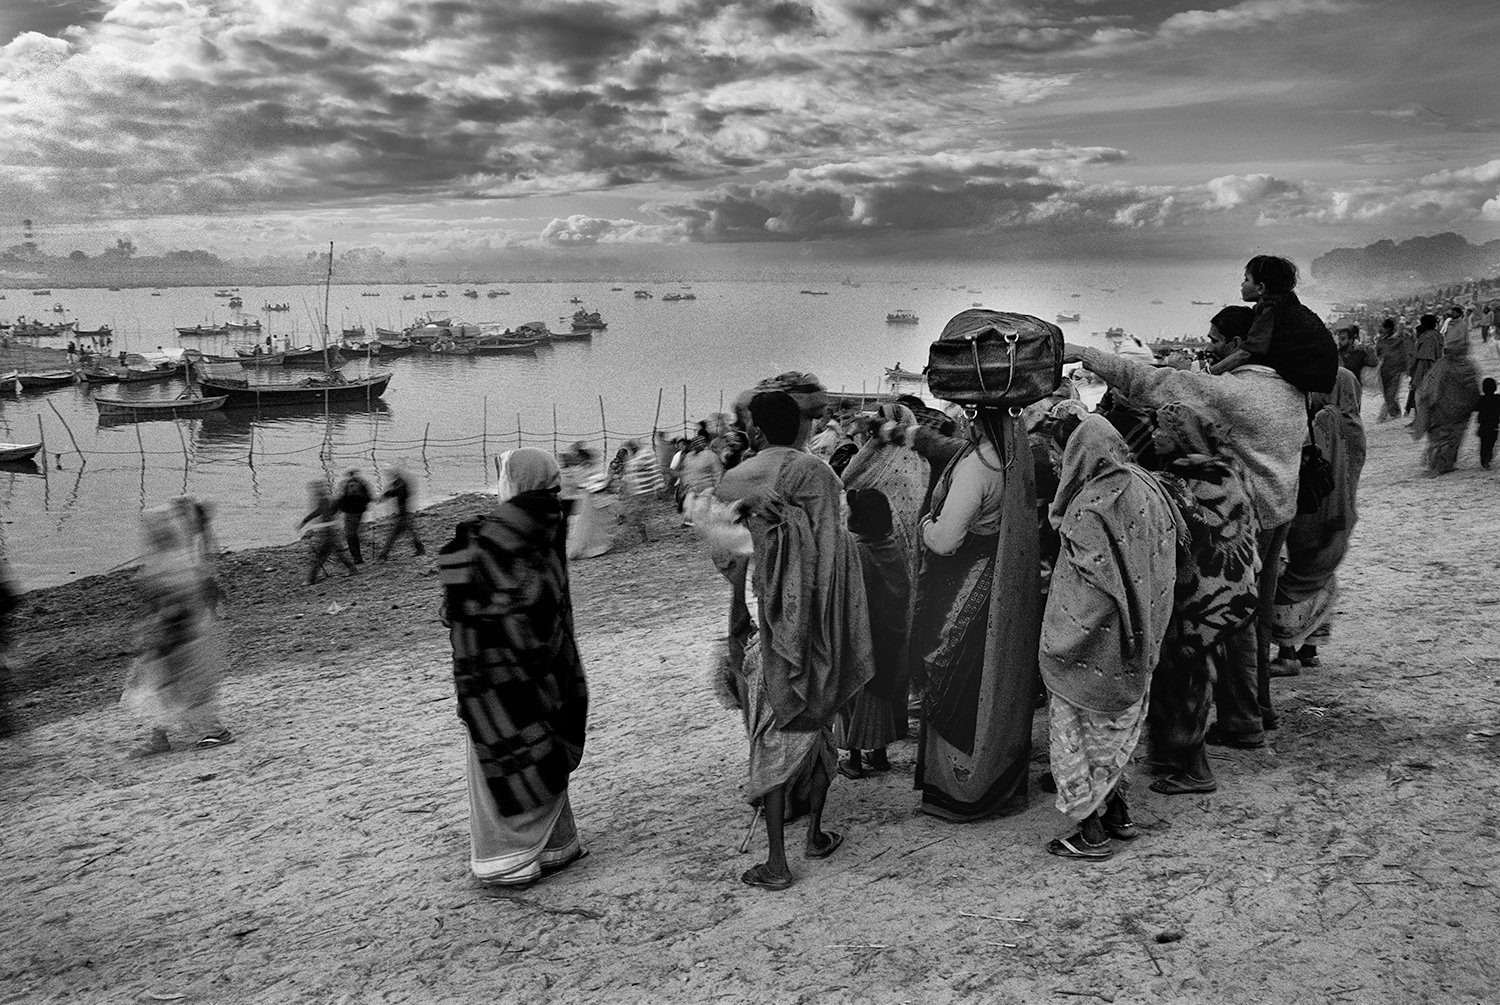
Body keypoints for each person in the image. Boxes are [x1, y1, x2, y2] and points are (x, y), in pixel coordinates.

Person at [1066, 303, 1304, 751]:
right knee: (1254, 615)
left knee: (1228, 622)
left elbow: (1153, 383)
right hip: (1278, 510)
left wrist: (1084, 352)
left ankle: (1240, 722)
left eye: (1215, 342)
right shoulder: (1290, 389)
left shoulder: (1237, 392)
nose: (1209, 350)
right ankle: (1256, 710)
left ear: (1239, 345)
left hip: (1239, 520)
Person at [714, 390, 873, 891]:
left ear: (758, 430)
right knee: (819, 721)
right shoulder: (822, 474)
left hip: (780, 625)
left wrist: (739, 599)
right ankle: (818, 834)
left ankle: (777, 862)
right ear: (801, 428)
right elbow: (835, 542)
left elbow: (726, 552)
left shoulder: (739, 478)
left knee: (774, 729)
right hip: (827, 618)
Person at [908, 328, 1043, 820]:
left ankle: (961, 786)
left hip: (966, 577)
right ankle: (995, 774)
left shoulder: (976, 467)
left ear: (972, 416)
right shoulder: (1015, 459)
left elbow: (946, 539)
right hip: (999, 575)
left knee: (953, 674)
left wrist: (923, 525)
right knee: (989, 676)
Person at [440, 449, 588, 886]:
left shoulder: (498, 534)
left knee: (503, 744)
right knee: (546, 733)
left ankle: (509, 859)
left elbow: (466, 584)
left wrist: (462, 547)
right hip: (549, 661)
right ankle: (559, 843)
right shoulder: (546, 520)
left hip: (499, 671)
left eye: (503, 476)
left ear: (515, 482)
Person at [1040, 411, 1181, 860]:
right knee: (1115, 734)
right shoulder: (1150, 489)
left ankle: (1091, 832)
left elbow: (1088, 586)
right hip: (1143, 639)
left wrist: (1059, 638)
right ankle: (1119, 813)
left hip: (1091, 645)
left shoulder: (1090, 506)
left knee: (1075, 733)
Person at [1145, 401, 1261, 796]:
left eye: (1161, 428)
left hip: (1197, 602)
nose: (1153, 434)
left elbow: (1180, 537)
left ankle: (1196, 770)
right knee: (1193, 677)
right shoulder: (1229, 469)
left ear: (1182, 437)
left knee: (1186, 680)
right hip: (1230, 595)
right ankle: (1169, 756)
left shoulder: (1186, 479)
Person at [1270, 369, 1367, 674]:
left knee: (1292, 577)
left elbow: (1308, 464)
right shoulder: (1355, 425)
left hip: (1314, 513)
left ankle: (1287, 654)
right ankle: (1310, 649)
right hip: (1342, 513)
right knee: (1322, 577)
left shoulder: (1326, 420)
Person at [120, 506, 233, 756]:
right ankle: (160, 738)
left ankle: (216, 733)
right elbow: (204, 591)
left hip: (182, 636)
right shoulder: (180, 559)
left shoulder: (171, 564)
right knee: (158, 687)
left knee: (179, 689)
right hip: (178, 634)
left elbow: (176, 605)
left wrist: (160, 631)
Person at [835, 488, 911, 778]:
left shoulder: (857, 551)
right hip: (889, 637)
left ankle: (853, 760)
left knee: (855, 696)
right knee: (883, 696)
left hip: (862, 637)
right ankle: (879, 755)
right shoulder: (892, 545)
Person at [1209, 255, 1338, 394]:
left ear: (1261, 287)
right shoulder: (1288, 305)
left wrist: (1209, 373)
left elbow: (1245, 354)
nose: (1242, 284)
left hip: (1309, 374)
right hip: (1323, 374)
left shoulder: (1271, 309)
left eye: (1246, 279)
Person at [1413, 323, 1481, 475]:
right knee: (1453, 439)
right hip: (1458, 412)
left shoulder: (1443, 365)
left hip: (1443, 411)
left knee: (1441, 438)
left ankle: (1438, 465)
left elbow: (1430, 387)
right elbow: (1473, 388)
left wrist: (1428, 402)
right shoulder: (1467, 365)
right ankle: (1442, 465)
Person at [299, 481, 357, 585]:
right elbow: (332, 512)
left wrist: (305, 522)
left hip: (328, 532)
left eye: (317, 489)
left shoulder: (324, 500)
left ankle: (310, 579)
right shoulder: (330, 499)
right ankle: (352, 569)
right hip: (331, 530)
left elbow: (318, 513)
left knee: (322, 555)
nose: (315, 491)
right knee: (335, 553)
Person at [620, 440, 665, 543]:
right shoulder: (631, 458)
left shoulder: (646, 455)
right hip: (634, 491)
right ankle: (644, 536)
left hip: (646, 490)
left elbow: (654, 470)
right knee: (637, 514)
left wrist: (659, 485)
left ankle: (647, 536)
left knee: (644, 514)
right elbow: (628, 474)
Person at [378, 469, 426, 560]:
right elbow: (395, 492)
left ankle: (384, 554)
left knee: (393, 535)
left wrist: (385, 495)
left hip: (403, 515)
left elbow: (395, 492)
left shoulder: (401, 486)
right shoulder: (403, 484)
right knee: (411, 533)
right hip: (406, 513)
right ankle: (420, 550)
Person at [1406, 314, 1442, 420]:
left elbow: (1424, 357)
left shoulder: (1426, 337)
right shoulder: (1437, 335)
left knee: (1420, 392)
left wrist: (1414, 373)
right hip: (1435, 366)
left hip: (1424, 368)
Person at [336, 470, 374, 563]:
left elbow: (341, 499)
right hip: (360, 511)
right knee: (353, 532)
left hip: (350, 512)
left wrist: (339, 509)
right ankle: (357, 555)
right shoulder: (363, 483)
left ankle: (356, 557)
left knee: (350, 534)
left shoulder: (346, 485)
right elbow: (369, 498)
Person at [1374, 318, 1408, 422]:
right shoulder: (1381, 340)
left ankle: (1386, 417)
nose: (1383, 329)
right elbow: (1378, 354)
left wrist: (1405, 368)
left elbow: (1403, 355)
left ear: (1389, 329)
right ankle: (1396, 414)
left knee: (1391, 394)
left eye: (1384, 327)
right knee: (1387, 394)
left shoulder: (1398, 340)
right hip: (1385, 371)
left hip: (1395, 370)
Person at [1477, 379, 1500, 470]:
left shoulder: (1481, 399)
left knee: (1483, 444)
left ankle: (1484, 460)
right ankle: (1487, 457)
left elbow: (1474, 407)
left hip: (1483, 426)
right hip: (1494, 425)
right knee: (1491, 442)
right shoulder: (1497, 399)